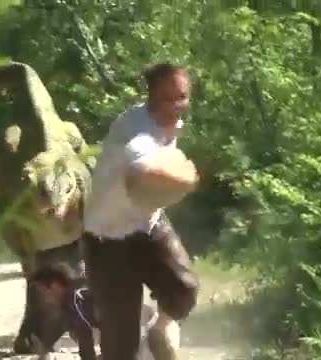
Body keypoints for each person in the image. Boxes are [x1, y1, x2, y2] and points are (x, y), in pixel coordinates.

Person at [82, 63, 200, 360]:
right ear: (151, 97)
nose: (175, 105)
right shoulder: (135, 129)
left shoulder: (171, 122)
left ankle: (159, 331)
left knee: (183, 289)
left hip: (148, 224)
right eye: (166, 98)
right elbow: (140, 170)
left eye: (181, 97)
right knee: (122, 349)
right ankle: (98, 309)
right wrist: (188, 179)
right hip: (108, 239)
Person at [28, 263, 159, 360]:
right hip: (138, 320)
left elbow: (85, 336)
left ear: (55, 286)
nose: (43, 299)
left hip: (139, 325)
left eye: (42, 293)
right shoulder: (72, 296)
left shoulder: (74, 297)